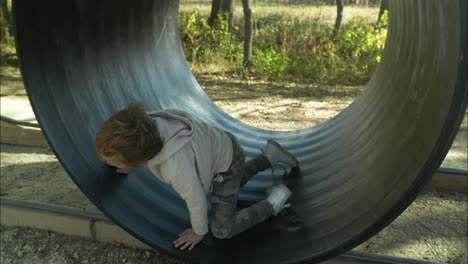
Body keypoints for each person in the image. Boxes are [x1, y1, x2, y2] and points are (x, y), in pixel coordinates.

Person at [95, 103, 299, 251]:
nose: (107, 163)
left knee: (222, 230)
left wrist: (198, 231)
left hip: (225, 163)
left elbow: (197, 201)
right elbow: (136, 149)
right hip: (221, 145)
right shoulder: (146, 127)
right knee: (237, 179)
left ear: (140, 161)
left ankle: (274, 202)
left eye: (112, 160)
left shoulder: (176, 169)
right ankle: (270, 157)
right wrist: (126, 163)